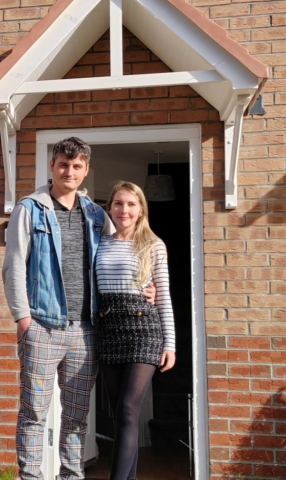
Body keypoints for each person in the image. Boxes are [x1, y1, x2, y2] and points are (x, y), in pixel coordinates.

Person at [2, 138, 154, 480]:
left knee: (75, 417)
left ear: (85, 171)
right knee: (34, 414)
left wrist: (146, 285)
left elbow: (123, 253)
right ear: (53, 166)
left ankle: (72, 476)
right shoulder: (30, 209)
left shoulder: (96, 214)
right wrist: (23, 318)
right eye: (63, 164)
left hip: (86, 331)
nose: (69, 171)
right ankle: (31, 477)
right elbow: (13, 266)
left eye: (77, 166)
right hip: (42, 326)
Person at [94, 181, 176, 480]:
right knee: (120, 414)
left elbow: (163, 295)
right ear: (110, 207)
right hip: (109, 328)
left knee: (129, 408)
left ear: (141, 209)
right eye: (118, 203)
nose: (124, 210)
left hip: (143, 329)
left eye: (131, 204)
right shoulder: (99, 242)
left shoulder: (153, 245)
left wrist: (170, 344)